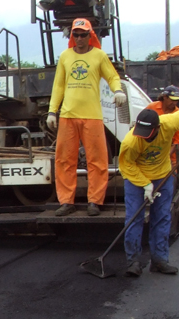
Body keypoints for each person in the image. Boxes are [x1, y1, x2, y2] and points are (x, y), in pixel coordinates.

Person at [46, 18, 127, 216]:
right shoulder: (65, 56)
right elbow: (58, 86)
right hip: (68, 116)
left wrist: (117, 90)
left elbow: (113, 76)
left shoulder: (99, 56)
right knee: (64, 160)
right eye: (76, 34)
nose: (80, 38)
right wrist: (52, 111)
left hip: (92, 116)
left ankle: (95, 201)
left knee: (98, 160)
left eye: (84, 34)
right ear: (71, 35)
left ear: (90, 35)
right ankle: (66, 201)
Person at [119, 107, 179, 277]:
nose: (144, 137)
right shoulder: (131, 141)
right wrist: (145, 184)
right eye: (141, 132)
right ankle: (133, 262)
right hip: (136, 178)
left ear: (158, 128)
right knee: (133, 218)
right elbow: (126, 166)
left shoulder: (169, 123)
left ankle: (159, 260)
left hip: (162, 175)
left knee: (161, 217)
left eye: (148, 133)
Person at [145, 85, 179, 168]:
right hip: (152, 153)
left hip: (174, 157)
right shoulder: (152, 108)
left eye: (176, 101)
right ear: (165, 97)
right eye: (172, 100)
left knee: (178, 177)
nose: (174, 103)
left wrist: (165, 156)